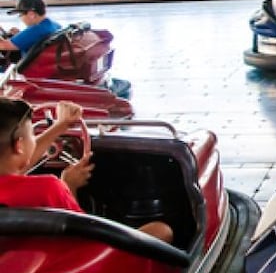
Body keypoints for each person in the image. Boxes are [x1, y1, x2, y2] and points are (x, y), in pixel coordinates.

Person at [0, 99, 173, 243]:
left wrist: (60, 126)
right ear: (19, 145)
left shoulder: (14, 183)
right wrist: (69, 185)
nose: (35, 139)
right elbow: (86, 237)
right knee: (161, 231)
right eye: (32, 134)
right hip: (68, 264)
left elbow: (20, 160)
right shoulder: (48, 188)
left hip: (20, 265)